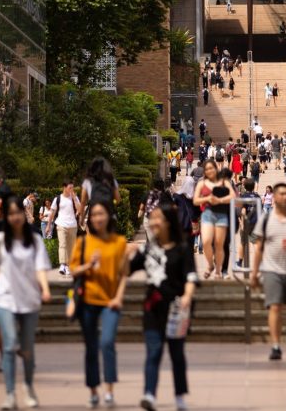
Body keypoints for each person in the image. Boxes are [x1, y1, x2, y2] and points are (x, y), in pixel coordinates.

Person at [0, 197, 51, 409]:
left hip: (29, 300)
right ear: (6, 217)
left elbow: (40, 269)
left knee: (28, 349)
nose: (15, 217)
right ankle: (10, 394)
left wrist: (46, 289)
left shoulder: (35, 240)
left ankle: (28, 387)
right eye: (11, 214)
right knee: (10, 345)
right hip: (4, 299)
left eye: (18, 213)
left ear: (24, 214)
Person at [130, 201, 197, 411]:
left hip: (177, 309)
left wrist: (187, 296)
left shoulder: (183, 248)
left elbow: (191, 277)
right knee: (154, 351)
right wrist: (125, 253)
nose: (153, 222)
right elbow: (126, 271)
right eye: (152, 218)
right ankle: (149, 394)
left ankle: (179, 396)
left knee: (176, 354)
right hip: (153, 308)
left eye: (158, 217)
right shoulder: (148, 248)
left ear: (168, 222)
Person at [70, 200, 128, 409]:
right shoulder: (83, 242)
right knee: (91, 347)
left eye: (101, 214)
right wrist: (88, 265)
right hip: (87, 301)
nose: (97, 218)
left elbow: (124, 275)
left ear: (109, 216)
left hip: (110, 302)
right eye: (93, 215)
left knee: (107, 342)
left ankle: (110, 389)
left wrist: (119, 297)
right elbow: (73, 270)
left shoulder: (119, 242)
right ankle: (94, 389)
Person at [250, 179, 286, 361]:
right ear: (273, 197)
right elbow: (259, 246)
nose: (285, 197)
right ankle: (275, 346)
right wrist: (254, 273)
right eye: (281, 194)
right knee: (274, 307)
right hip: (271, 270)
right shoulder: (266, 219)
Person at [193, 159, 235, 279]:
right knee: (206, 241)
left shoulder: (224, 181)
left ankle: (218, 271)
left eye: (211, 168)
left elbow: (232, 195)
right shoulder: (202, 183)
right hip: (207, 213)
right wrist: (207, 199)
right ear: (204, 171)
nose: (209, 171)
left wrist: (219, 200)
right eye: (207, 169)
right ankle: (210, 265)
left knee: (219, 244)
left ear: (216, 168)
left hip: (221, 214)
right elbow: (195, 200)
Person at [46, 180, 81, 276]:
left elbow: (79, 210)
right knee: (62, 244)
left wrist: (74, 199)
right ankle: (62, 264)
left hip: (72, 225)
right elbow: (52, 213)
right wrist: (48, 225)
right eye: (70, 188)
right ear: (64, 187)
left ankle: (69, 266)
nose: (71, 190)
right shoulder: (58, 199)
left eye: (72, 188)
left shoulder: (75, 198)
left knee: (71, 247)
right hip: (61, 224)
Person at [81, 158, 121, 222]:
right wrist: (111, 202)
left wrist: (82, 218)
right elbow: (118, 199)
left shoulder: (87, 181)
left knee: (92, 230)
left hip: (94, 213)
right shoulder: (111, 180)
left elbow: (83, 201)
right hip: (108, 213)